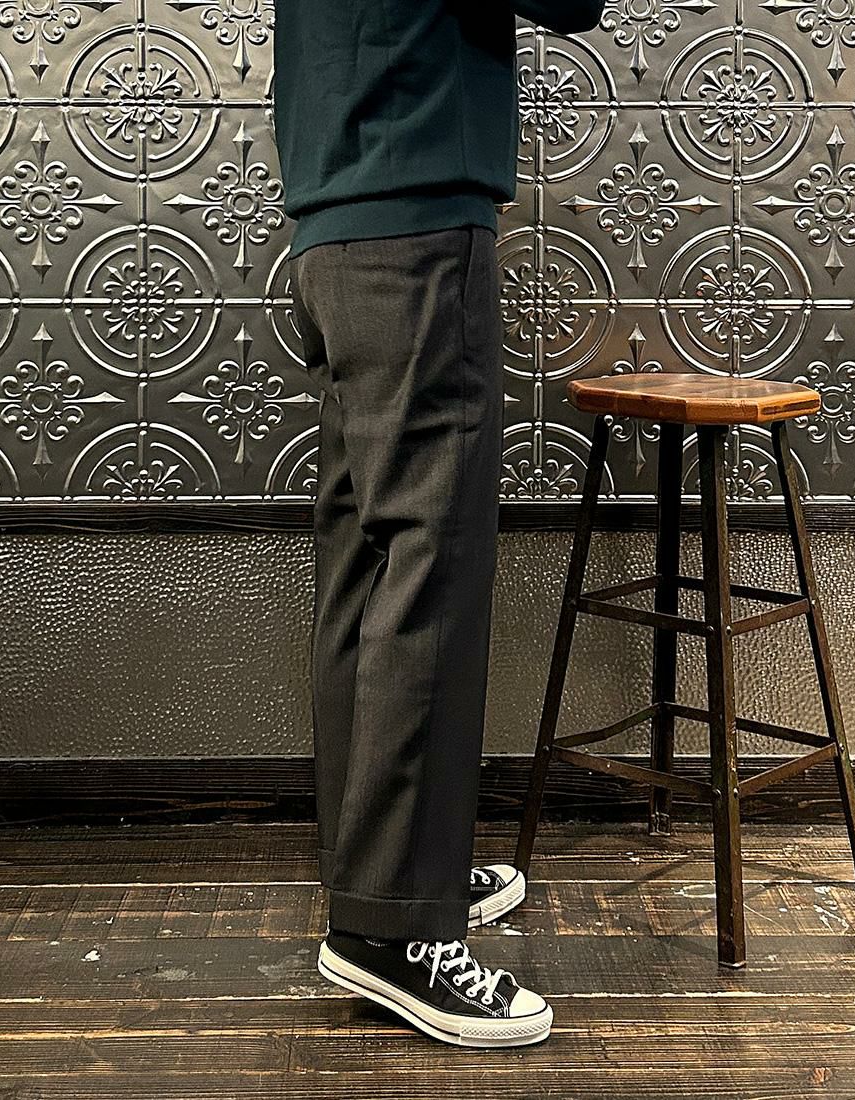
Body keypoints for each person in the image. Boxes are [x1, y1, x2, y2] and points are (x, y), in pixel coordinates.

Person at [273, 0, 606, 1048]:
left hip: (332, 226)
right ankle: (393, 931)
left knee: (367, 571)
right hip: (415, 223)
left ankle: (386, 873)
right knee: (429, 566)